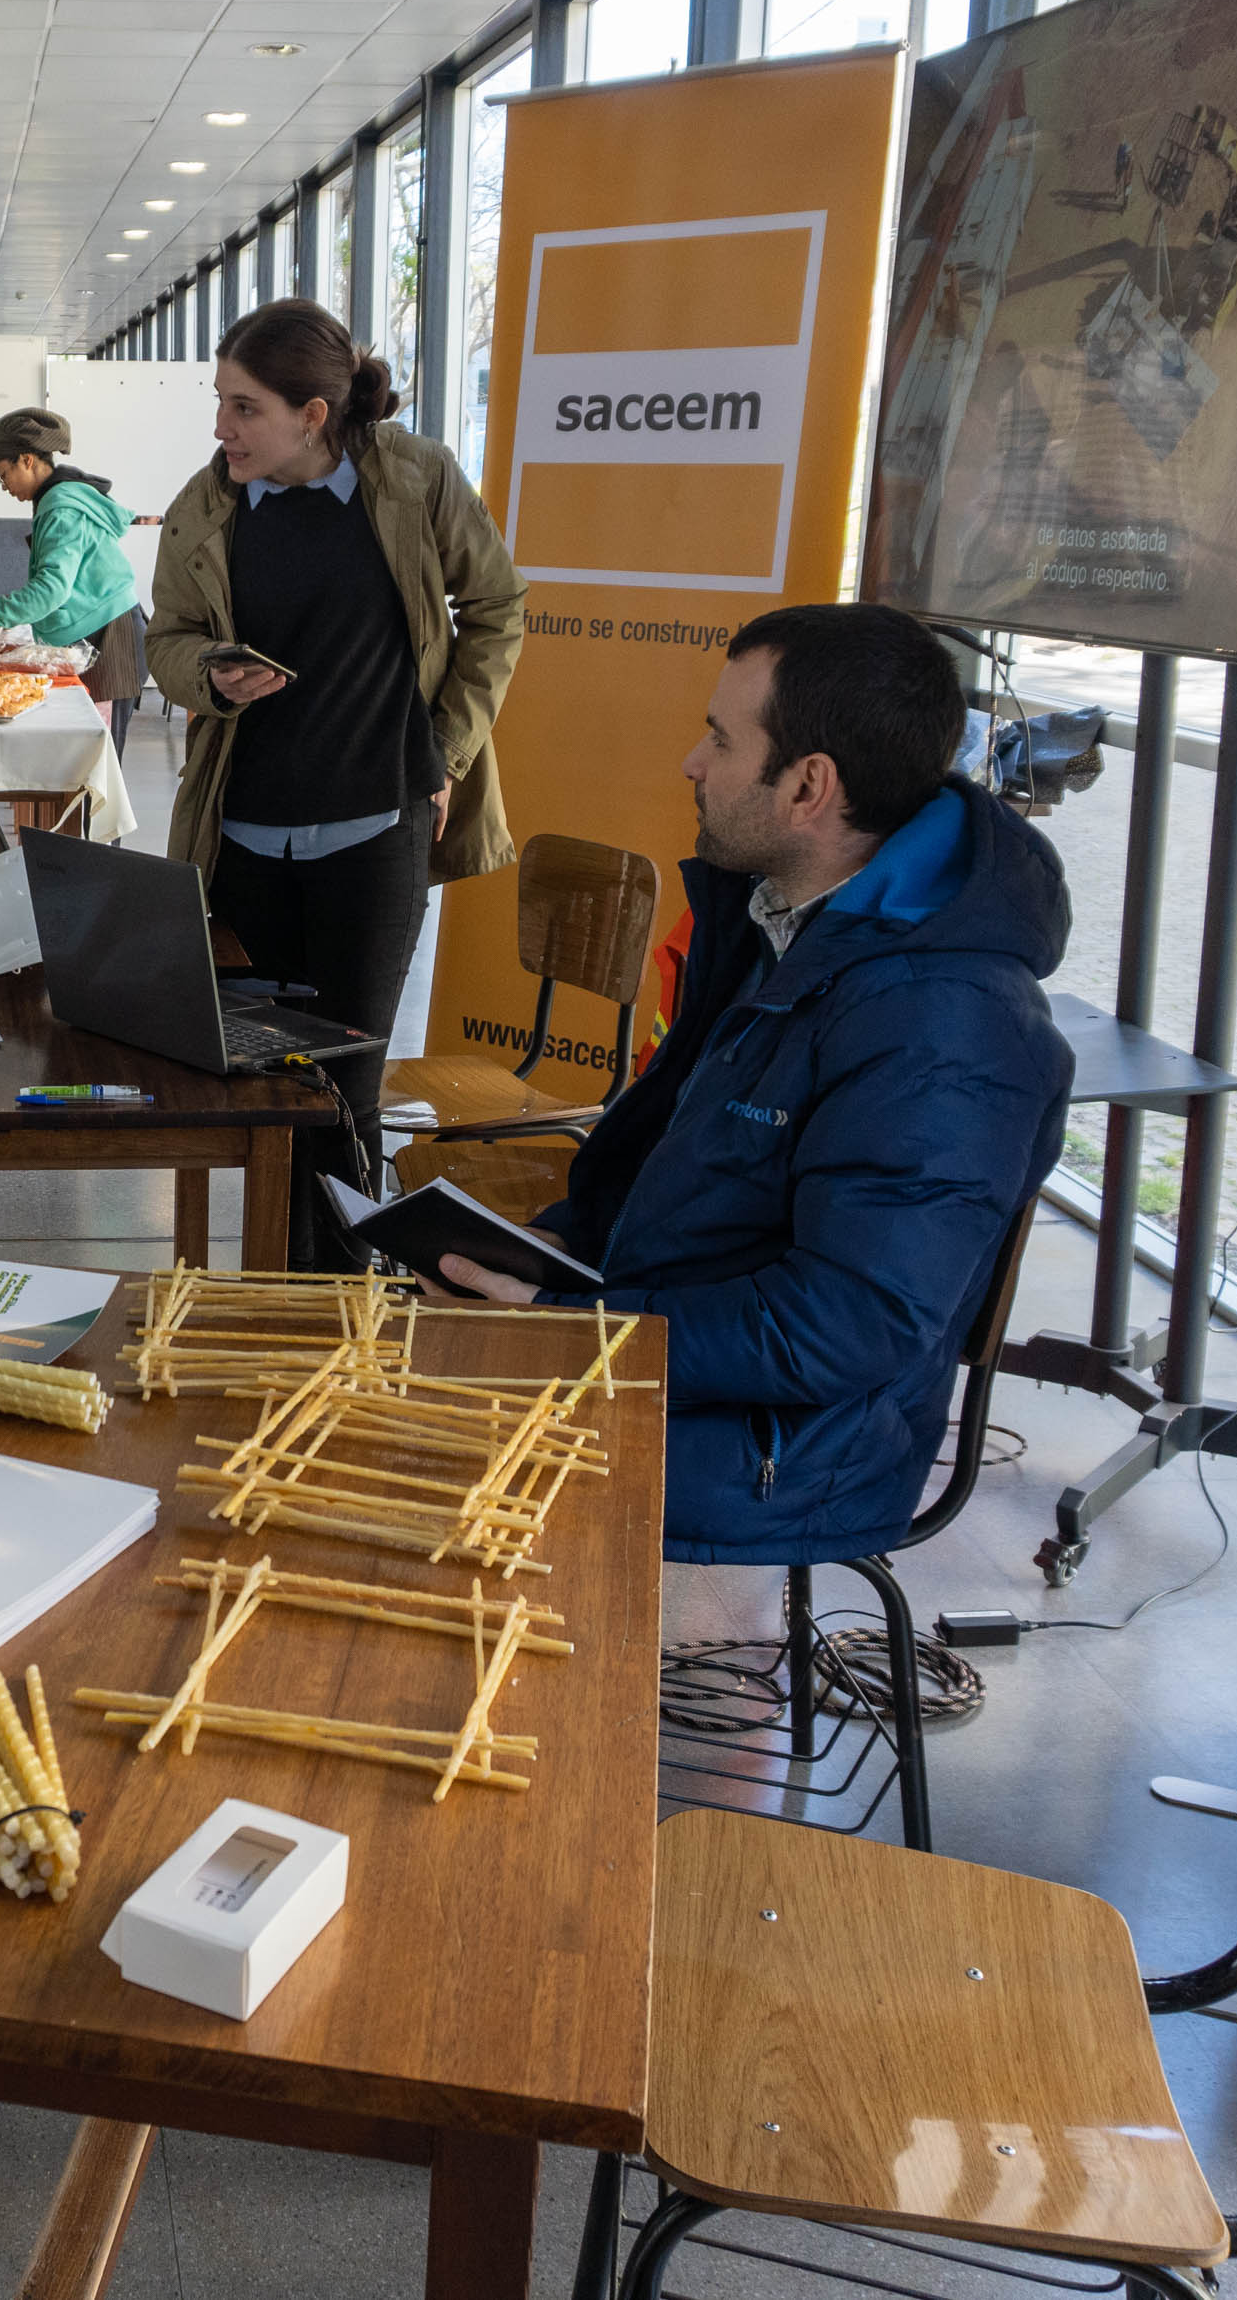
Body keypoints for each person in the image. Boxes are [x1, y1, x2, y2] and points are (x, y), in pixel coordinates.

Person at [434, 604, 1073, 1568]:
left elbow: (848, 1326)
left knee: (366, 1444)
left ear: (808, 786)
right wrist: (558, 1251)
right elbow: (677, 1168)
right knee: (355, 1363)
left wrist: (569, 1335)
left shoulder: (946, 1023)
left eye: (721, 739)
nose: (692, 763)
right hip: (666, 1360)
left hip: (782, 1454)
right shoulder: (781, 917)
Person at [144, 298, 524, 1265]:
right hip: (242, 834)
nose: (222, 428)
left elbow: (496, 607)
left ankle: (342, 1296)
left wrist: (445, 749)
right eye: (220, 402)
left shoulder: (416, 477)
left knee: (346, 1088)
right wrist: (211, 674)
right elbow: (168, 638)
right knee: (267, 1082)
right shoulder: (205, 503)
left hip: (377, 829)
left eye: (244, 407)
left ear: (313, 414)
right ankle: (282, 1282)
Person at [0, 407, 146, 750]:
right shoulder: (55, 499)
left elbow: (51, 590)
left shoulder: (62, 507)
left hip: (109, 641)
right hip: (93, 637)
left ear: (27, 460)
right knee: (79, 758)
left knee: (96, 760)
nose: (4, 486)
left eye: (3, 474)